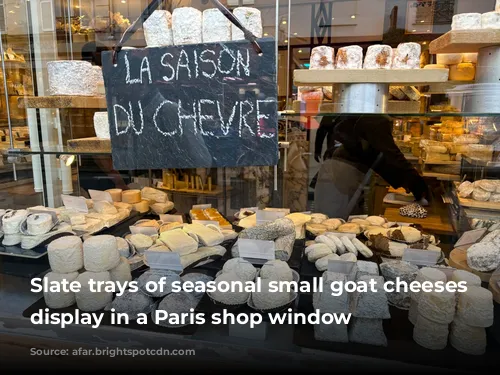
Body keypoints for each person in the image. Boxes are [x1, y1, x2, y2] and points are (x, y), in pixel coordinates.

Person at [314, 114, 429, 219]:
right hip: (343, 172)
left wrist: (409, 180)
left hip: (346, 169)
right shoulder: (375, 118)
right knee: (334, 222)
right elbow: (391, 154)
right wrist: (414, 181)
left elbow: (384, 155)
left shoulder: (373, 114)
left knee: (347, 219)